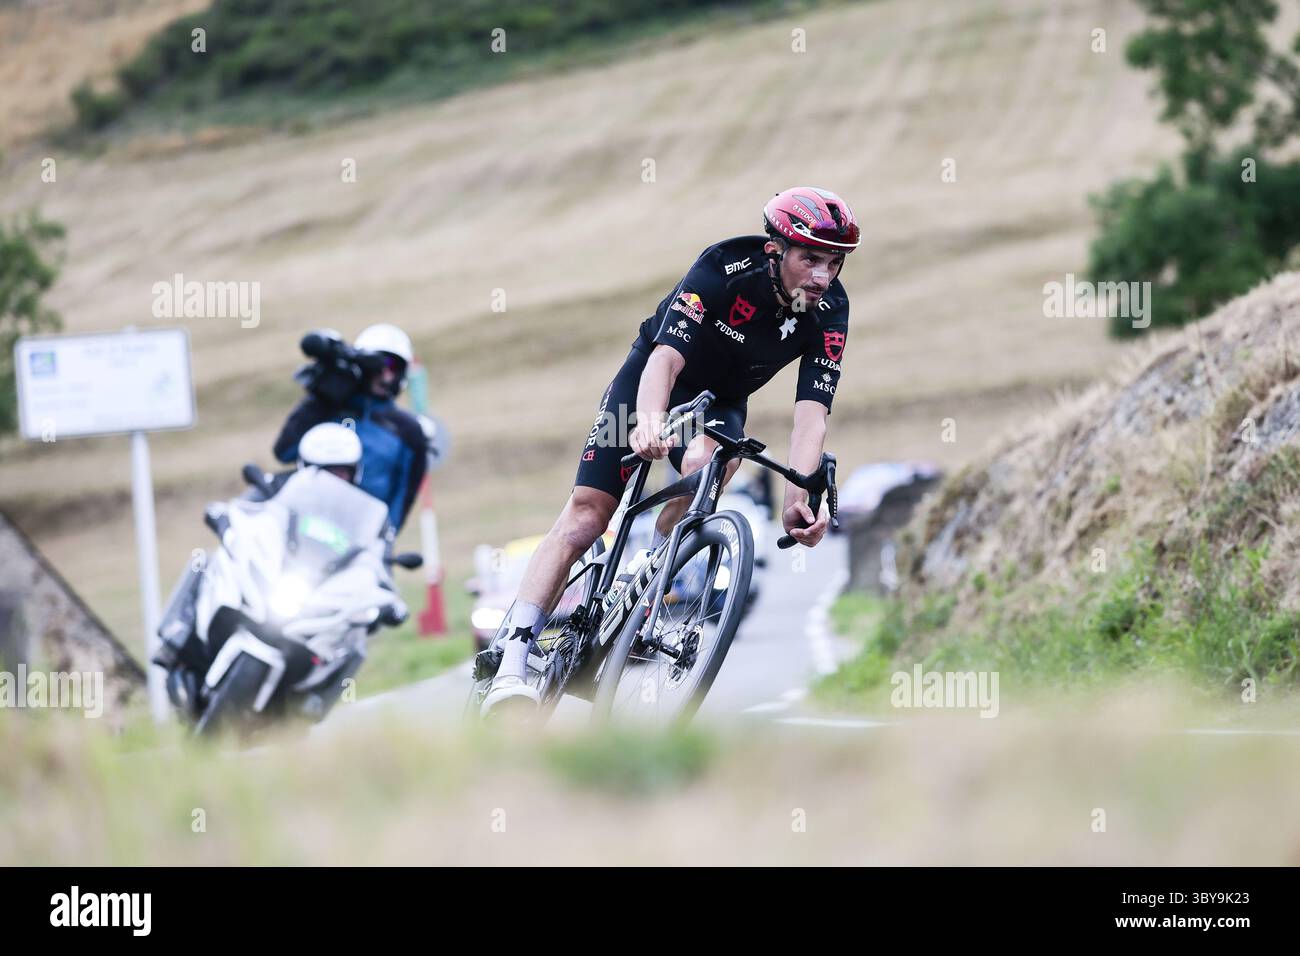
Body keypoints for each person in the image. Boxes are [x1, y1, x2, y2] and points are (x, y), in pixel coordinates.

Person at [481, 186, 859, 714]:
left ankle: (649, 581)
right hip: (651, 379)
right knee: (588, 514)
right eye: (810, 259)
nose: (822, 276)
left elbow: (811, 414)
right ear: (776, 249)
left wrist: (799, 494)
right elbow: (665, 361)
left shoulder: (830, 310)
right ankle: (512, 664)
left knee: (710, 464)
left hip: (718, 402)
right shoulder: (724, 266)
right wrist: (649, 422)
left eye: (834, 263)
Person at [273, 323, 427, 531]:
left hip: (359, 539)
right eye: (379, 365)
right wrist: (320, 399)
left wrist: (381, 541)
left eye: (393, 367)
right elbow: (284, 451)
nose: (386, 375)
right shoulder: (329, 406)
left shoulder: (408, 431)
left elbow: (399, 505)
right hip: (306, 528)